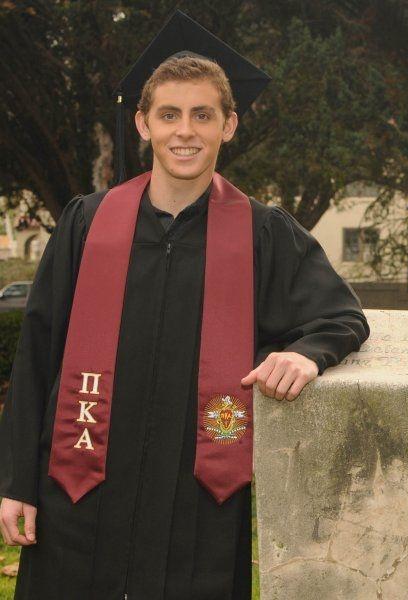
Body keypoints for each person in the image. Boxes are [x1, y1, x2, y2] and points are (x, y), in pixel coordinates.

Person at [0, 11, 368, 599]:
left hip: (197, 502)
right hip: (78, 487)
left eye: (203, 115)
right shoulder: (87, 223)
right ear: (142, 124)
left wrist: (306, 355)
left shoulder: (263, 233)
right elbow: (38, 354)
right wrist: (15, 480)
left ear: (230, 126)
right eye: (169, 115)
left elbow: (341, 317)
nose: (185, 131)